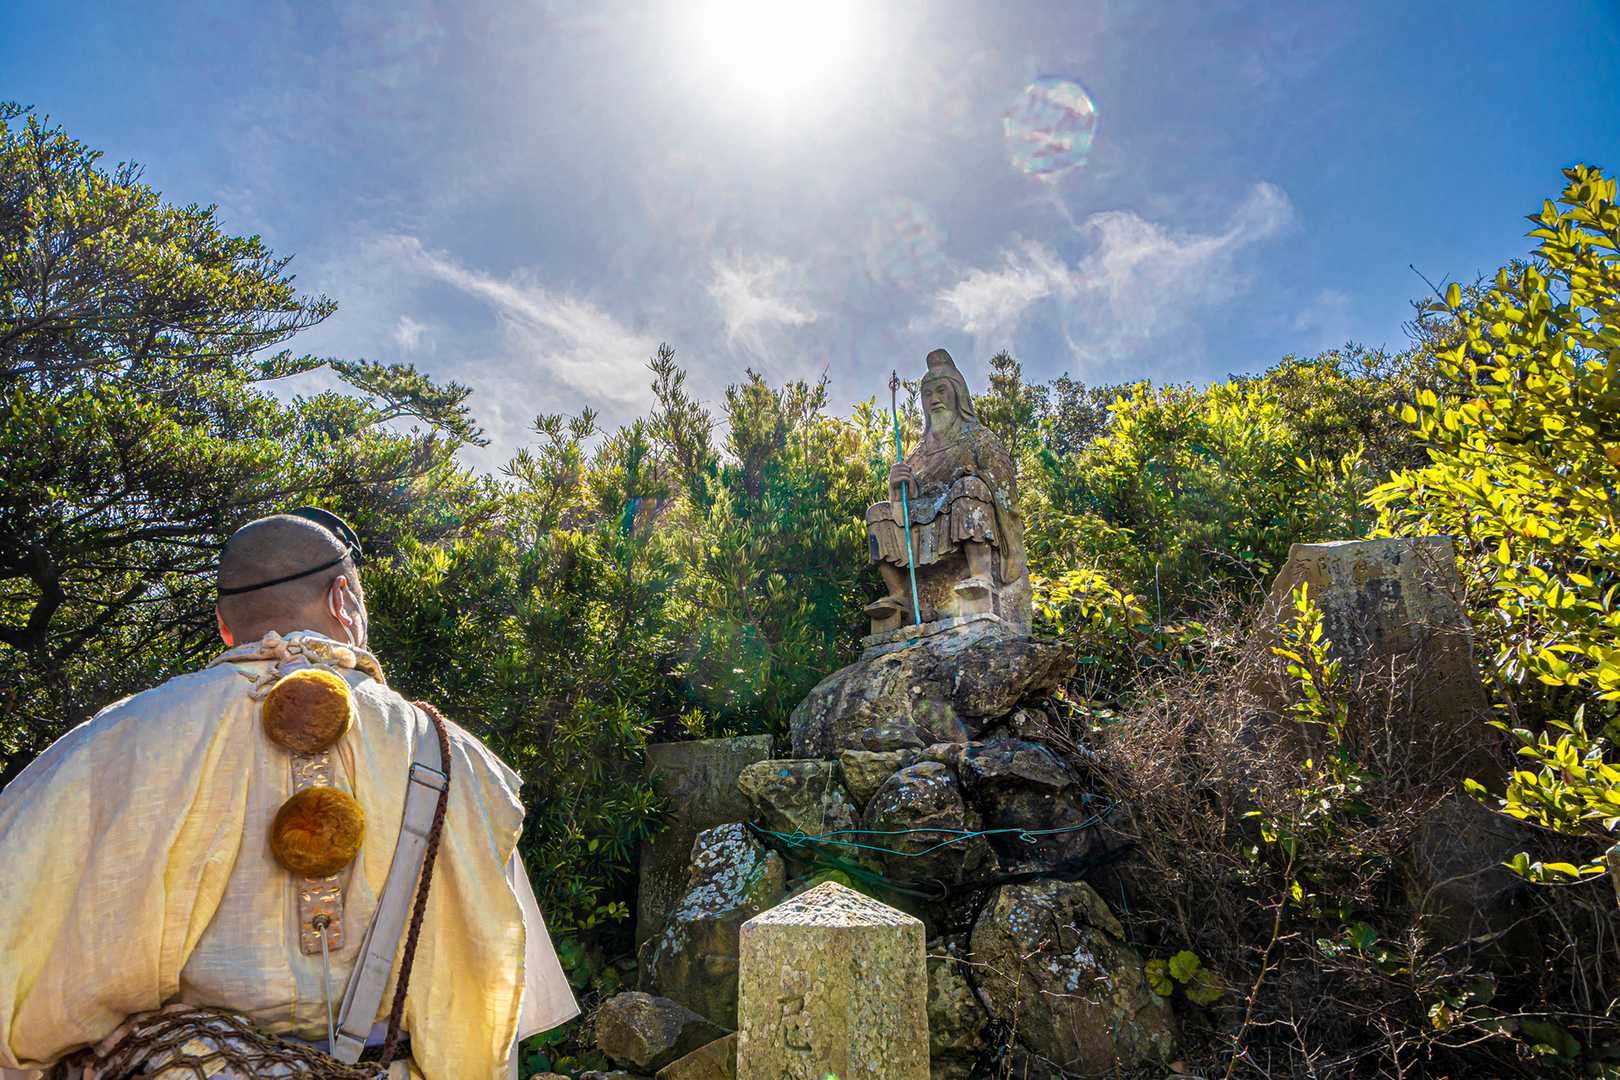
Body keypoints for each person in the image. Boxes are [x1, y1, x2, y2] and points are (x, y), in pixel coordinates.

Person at [0, 511, 578, 1079]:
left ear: (225, 625)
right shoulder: (458, 759)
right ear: (342, 600)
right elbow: (493, 992)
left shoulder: (115, 740)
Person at [865, 348, 1031, 629]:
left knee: (970, 487)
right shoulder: (918, 452)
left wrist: (970, 480)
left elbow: (1003, 487)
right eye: (928, 394)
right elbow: (907, 499)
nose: (934, 399)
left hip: (962, 512)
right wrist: (899, 487)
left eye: (941, 391)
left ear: (957, 394)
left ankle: (980, 578)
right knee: (878, 513)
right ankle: (899, 596)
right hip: (924, 520)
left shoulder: (979, 438)